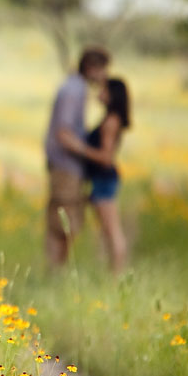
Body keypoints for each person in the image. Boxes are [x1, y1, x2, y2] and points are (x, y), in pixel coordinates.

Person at [44, 47, 110, 268]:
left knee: (62, 221)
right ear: (92, 68)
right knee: (65, 223)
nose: (104, 76)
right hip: (66, 165)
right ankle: (56, 272)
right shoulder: (75, 90)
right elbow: (64, 134)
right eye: (103, 70)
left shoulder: (73, 87)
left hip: (65, 165)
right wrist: (94, 155)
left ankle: (55, 272)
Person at [61, 78, 131, 273]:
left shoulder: (110, 121)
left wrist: (78, 147)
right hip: (101, 180)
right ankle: (114, 274)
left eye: (103, 90)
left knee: (112, 232)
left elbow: (106, 158)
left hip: (103, 180)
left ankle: (117, 277)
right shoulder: (112, 118)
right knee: (107, 232)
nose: (99, 94)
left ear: (112, 95)